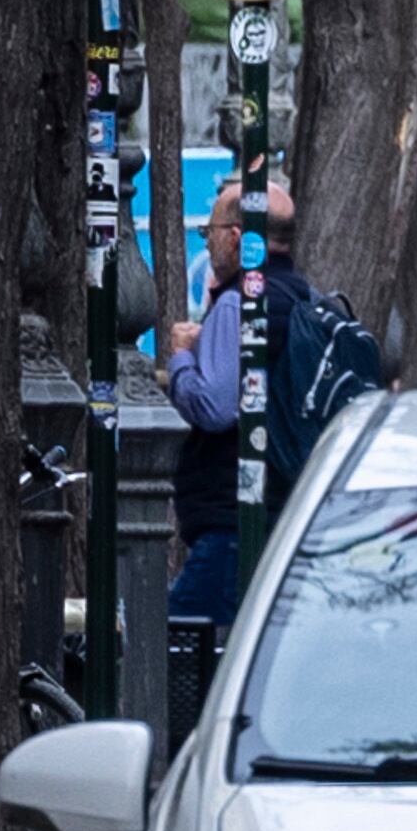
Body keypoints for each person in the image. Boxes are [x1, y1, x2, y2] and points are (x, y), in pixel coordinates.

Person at [160, 179, 283, 623]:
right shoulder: (293, 296)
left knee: (177, 647)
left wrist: (180, 360)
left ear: (235, 236)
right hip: (265, 514)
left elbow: (214, 407)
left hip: (227, 521)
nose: (207, 244)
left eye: (208, 233)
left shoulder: (237, 305)